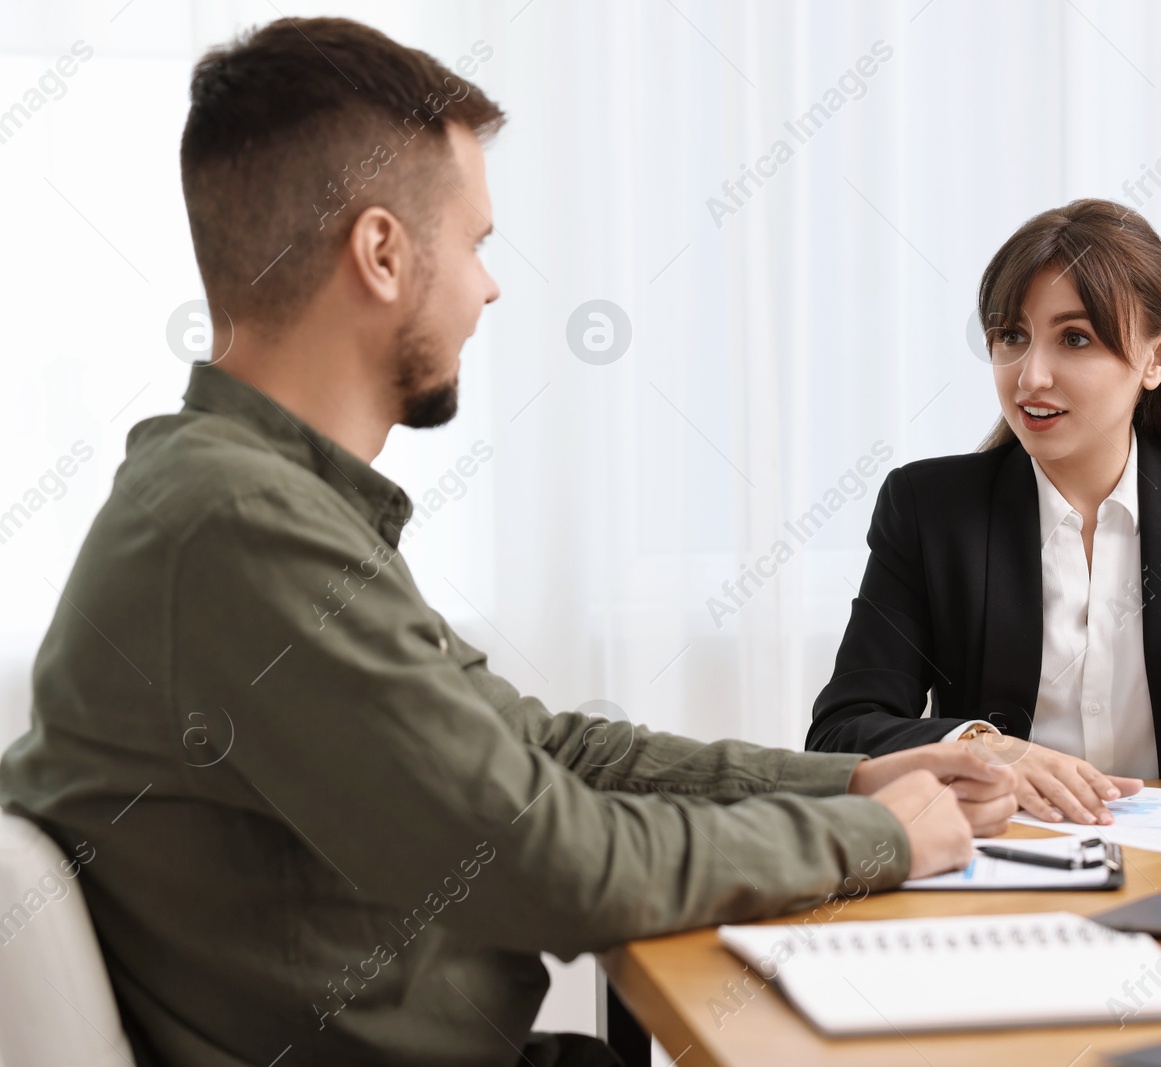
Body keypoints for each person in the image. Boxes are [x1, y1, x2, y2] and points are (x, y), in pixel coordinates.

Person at [0, 18, 1017, 1067]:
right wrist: (879, 839)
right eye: (478, 243)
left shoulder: (254, 501)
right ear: (383, 252)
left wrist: (844, 784)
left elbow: (539, 750)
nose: (490, 287)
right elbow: (551, 861)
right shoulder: (238, 527)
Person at [807, 200, 1161, 828]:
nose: (1030, 376)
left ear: (1159, 357)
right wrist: (986, 746)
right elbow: (842, 735)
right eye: (1012, 336)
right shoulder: (931, 510)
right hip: (1012, 871)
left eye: (1075, 338)